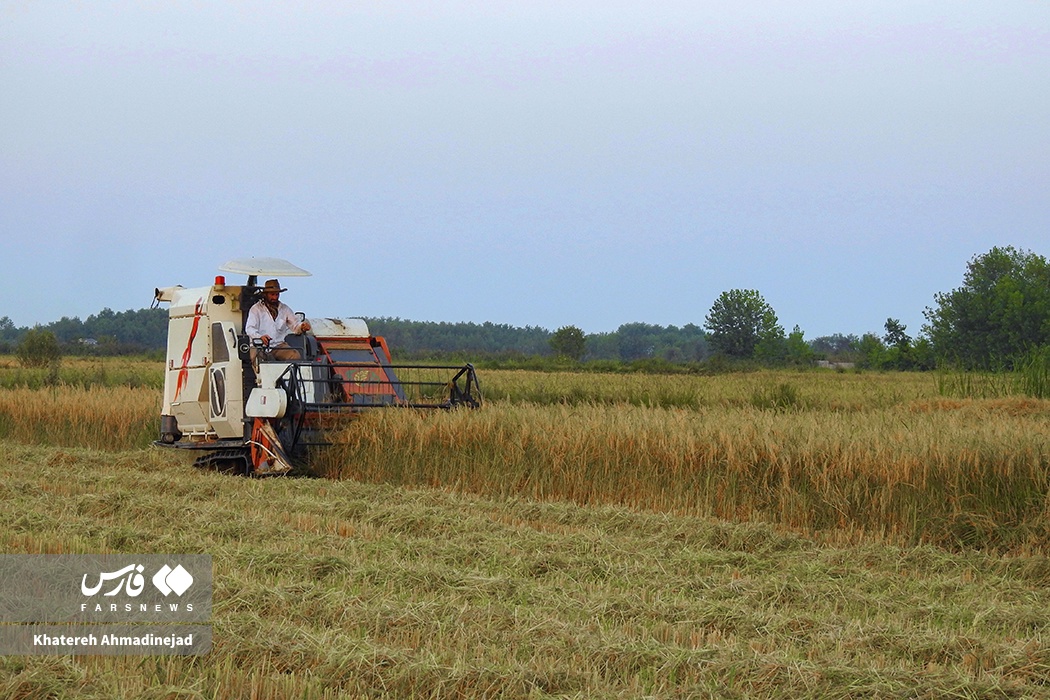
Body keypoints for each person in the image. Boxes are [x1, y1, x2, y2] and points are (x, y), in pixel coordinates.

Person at [245, 279, 311, 366]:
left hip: (278, 345)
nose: (275, 297)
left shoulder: (284, 309)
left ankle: (290, 379)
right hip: (258, 346)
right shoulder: (256, 309)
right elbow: (249, 328)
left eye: (277, 294)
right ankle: (262, 379)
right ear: (265, 294)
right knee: (259, 359)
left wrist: (302, 327)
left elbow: (295, 325)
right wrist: (260, 337)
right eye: (272, 294)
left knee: (295, 355)